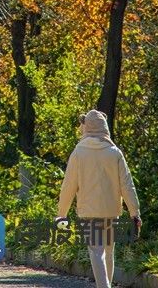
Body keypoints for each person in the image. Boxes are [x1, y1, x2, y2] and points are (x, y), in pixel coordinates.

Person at [56, 109, 141, 288]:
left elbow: (68, 186)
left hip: (89, 212)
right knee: (109, 252)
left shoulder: (79, 152)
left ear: (87, 128)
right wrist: (135, 212)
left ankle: (104, 286)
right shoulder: (115, 152)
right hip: (112, 211)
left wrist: (61, 214)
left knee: (96, 252)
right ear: (104, 128)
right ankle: (106, 284)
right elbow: (127, 185)